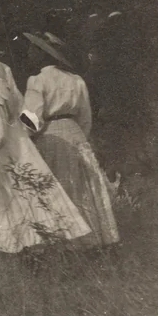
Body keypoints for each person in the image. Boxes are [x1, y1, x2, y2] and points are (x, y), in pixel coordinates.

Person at [0, 40, 91, 253]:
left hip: (4, 150)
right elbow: (20, 111)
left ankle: (20, 244)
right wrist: (28, 133)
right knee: (15, 196)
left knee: (1, 195)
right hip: (12, 145)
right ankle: (21, 244)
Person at [20, 32, 120, 248]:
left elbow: (33, 121)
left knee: (59, 186)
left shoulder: (37, 80)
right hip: (75, 134)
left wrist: (19, 125)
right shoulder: (76, 80)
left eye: (32, 49)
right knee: (83, 185)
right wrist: (78, 136)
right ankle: (90, 240)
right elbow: (86, 118)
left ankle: (64, 242)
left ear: (43, 54)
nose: (28, 53)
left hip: (51, 136)